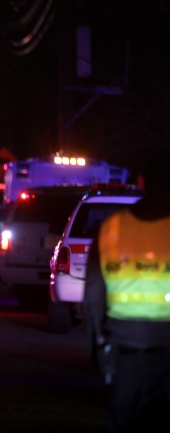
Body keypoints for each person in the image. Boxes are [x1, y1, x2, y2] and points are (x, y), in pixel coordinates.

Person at [84, 149, 170, 432]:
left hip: (124, 354)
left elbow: (93, 299)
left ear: (142, 181)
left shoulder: (111, 228)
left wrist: (99, 351)